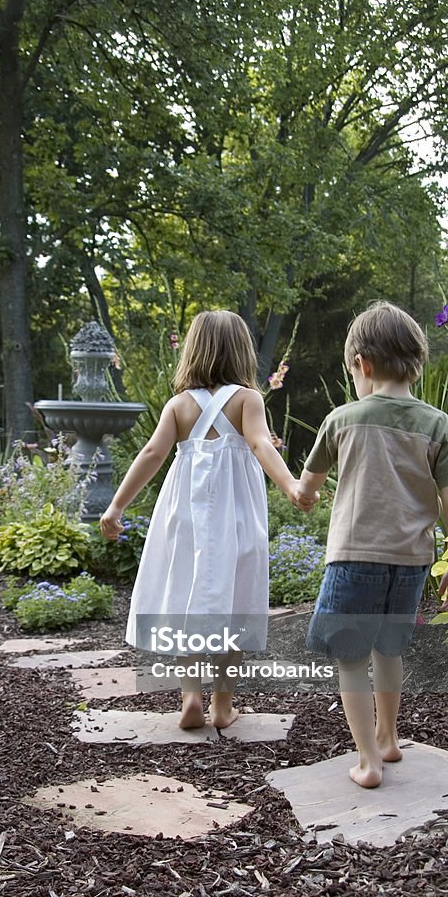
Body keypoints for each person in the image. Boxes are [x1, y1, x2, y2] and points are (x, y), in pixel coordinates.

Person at [100, 310, 316, 730]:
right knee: (236, 599)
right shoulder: (247, 400)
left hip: (185, 517)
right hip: (236, 518)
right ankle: (221, 703)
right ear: (242, 352)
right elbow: (259, 443)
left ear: (193, 352)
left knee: (186, 595)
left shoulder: (179, 405)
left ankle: (189, 698)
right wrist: (291, 485)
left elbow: (151, 455)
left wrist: (116, 507)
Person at [297, 301, 448, 788]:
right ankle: (389, 738)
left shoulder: (342, 420)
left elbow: (308, 486)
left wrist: (306, 495)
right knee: (388, 651)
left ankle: (368, 761)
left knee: (351, 659)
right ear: (416, 363)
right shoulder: (440, 425)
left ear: (364, 365)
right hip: (412, 562)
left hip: (354, 559)